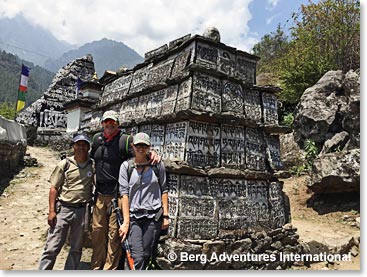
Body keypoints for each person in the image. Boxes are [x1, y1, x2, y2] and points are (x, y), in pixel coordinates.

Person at [90, 110, 160, 270]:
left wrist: (152, 153)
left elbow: (139, 154)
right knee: (98, 233)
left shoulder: (125, 141)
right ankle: (96, 267)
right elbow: (91, 158)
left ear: (117, 124)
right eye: (106, 122)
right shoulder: (97, 139)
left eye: (112, 122)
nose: (109, 125)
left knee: (114, 235)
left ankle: (110, 269)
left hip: (117, 196)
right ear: (102, 124)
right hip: (100, 194)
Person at [38, 133, 94, 270]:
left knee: (76, 248)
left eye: (84, 145)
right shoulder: (65, 164)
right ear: (73, 146)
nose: (81, 147)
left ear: (88, 147)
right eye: (78, 144)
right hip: (64, 209)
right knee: (52, 246)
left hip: (82, 211)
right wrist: (51, 211)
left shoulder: (92, 165)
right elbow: (54, 188)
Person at [118, 132, 169, 270]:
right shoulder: (126, 167)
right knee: (137, 255)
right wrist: (126, 222)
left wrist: (165, 216)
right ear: (133, 146)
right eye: (138, 145)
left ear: (149, 147)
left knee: (146, 254)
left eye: (144, 146)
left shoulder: (157, 166)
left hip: (153, 217)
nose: (141, 148)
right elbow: (124, 195)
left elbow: (164, 190)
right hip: (134, 216)